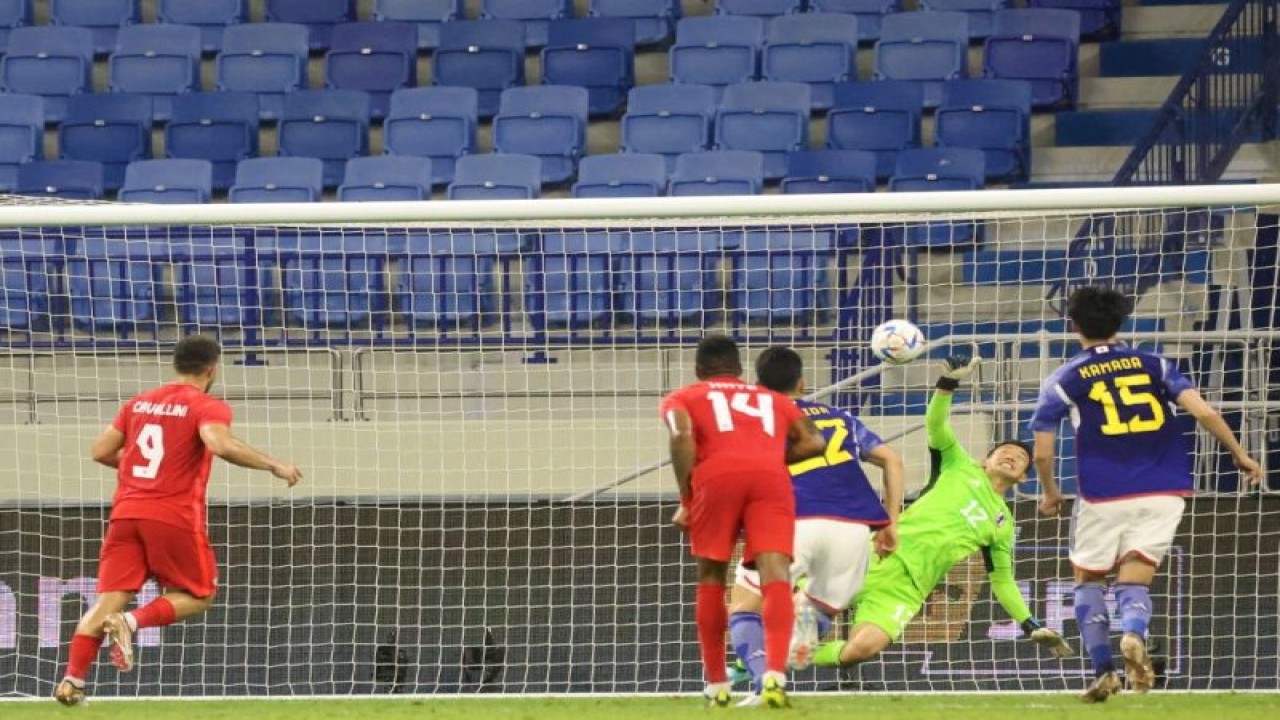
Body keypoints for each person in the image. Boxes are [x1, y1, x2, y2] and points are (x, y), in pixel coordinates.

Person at [1030, 286, 1262, 703]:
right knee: (1136, 576)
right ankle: (1134, 634)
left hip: (1104, 493)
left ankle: (1103, 668)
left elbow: (1043, 452)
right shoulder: (1156, 364)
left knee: (1088, 579)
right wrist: (1241, 454)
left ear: (1073, 325)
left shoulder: (1063, 378)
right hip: (1165, 490)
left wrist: (1049, 492)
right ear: (1120, 323)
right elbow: (1204, 411)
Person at [54, 335, 303, 707]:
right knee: (200, 595)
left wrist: (144, 472)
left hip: (125, 515)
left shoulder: (138, 403)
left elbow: (100, 451)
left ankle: (71, 682)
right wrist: (273, 464)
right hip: (171, 515)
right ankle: (133, 623)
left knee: (107, 602)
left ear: (176, 364)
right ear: (212, 369)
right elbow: (219, 444)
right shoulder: (206, 405)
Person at [812, 355, 1073, 669]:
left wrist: (1030, 624)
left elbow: (1003, 582)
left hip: (908, 588)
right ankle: (761, 650)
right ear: (984, 461)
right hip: (878, 556)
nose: (1012, 455)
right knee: (795, 612)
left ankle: (793, 657)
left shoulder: (1003, 523)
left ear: (1022, 478)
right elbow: (936, 423)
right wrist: (947, 385)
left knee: (862, 649)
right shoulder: (956, 464)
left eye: (1020, 457)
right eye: (1003, 451)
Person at [727, 346, 904, 706]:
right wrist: (891, 522)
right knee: (820, 605)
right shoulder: (841, 418)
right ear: (803, 383)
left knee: (745, 605)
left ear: (758, 386)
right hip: (854, 528)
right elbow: (892, 461)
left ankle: (766, 681)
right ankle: (806, 628)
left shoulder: (757, 419)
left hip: (793, 521)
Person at [660, 335, 825, 709]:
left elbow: (681, 434)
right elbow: (815, 442)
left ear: (699, 370)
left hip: (715, 480)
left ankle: (717, 683)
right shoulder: (774, 399)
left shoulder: (682, 398)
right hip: (770, 481)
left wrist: (688, 498)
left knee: (712, 575)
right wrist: (766, 458)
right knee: (776, 572)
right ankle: (774, 676)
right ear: (739, 369)